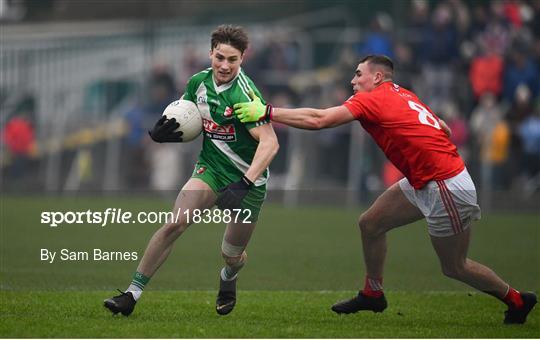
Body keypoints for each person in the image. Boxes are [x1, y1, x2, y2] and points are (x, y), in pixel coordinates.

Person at [233, 55, 537, 324]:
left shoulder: (374, 98)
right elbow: (442, 126)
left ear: (377, 78)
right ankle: (373, 294)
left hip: (444, 184)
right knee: (370, 224)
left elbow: (319, 119)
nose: (353, 80)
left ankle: (517, 300)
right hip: (429, 179)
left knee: (455, 266)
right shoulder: (403, 94)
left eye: (358, 74)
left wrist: (267, 111)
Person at [104, 25, 279, 317]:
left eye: (232, 60)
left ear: (242, 59)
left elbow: (271, 144)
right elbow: (190, 119)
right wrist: (164, 134)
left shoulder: (246, 96)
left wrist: (245, 182)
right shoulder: (198, 82)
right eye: (220, 57)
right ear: (210, 53)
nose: (224, 65)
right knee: (175, 224)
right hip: (209, 169)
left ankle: (229, 276)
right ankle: (131, 295)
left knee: (232, 255)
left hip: (247, 181)